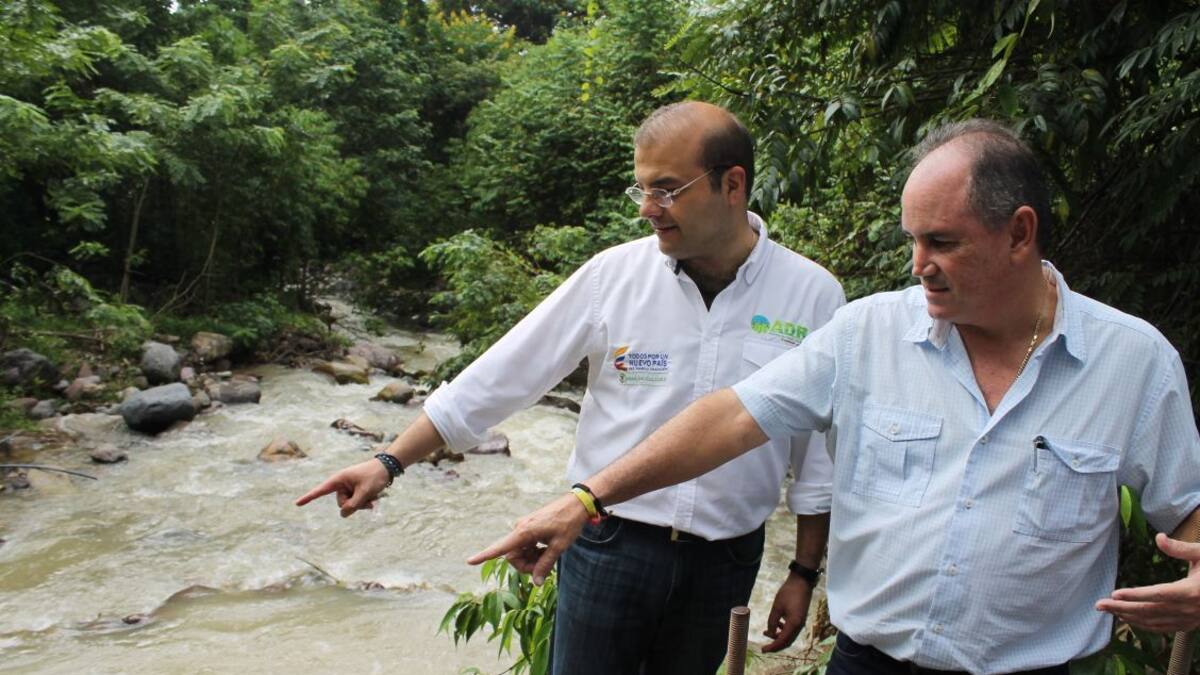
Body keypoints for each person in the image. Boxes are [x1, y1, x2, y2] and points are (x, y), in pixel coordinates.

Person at [470, 119, 1200, 674]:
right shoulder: (868, 333)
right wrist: (588, 498)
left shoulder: (1132, 363)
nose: (918, 266)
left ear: (1020, 233)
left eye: (942, 242)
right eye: (912, 240)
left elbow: (1188, 506)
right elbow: (730, 418)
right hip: (866, 664)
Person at [295, 101, 846, 674]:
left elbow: (816, 458)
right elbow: (502, 375)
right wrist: (388, 461)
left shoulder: (811, 294)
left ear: (732, 184)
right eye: (641, 190)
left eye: (665, 190)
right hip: (607, 543)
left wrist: (802, 572)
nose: (647, 209)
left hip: (725, 562)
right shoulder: (614, 276)